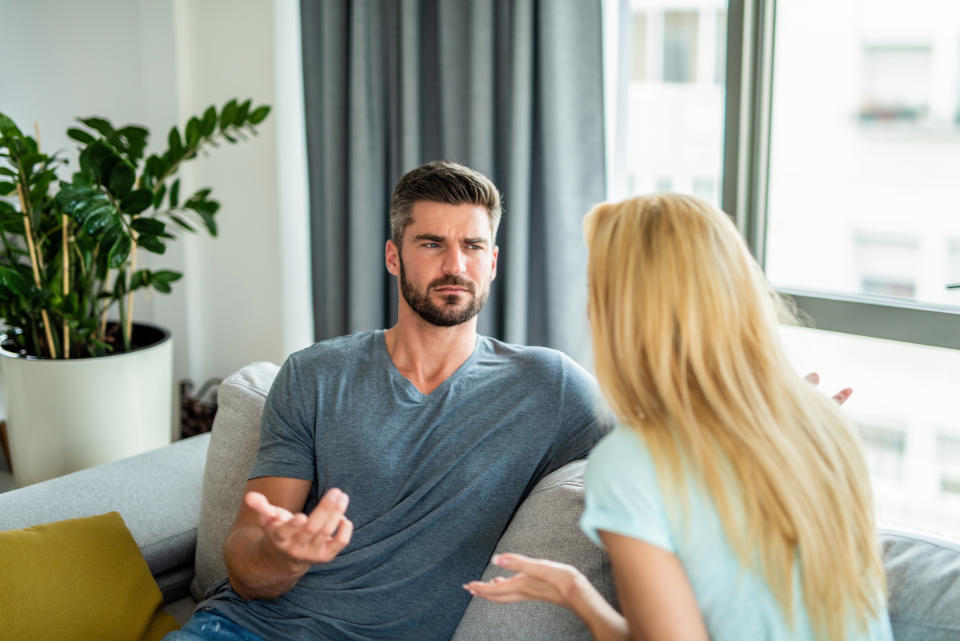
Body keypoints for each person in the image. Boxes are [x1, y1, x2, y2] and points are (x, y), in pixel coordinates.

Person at [164, 161, 610, 641]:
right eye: (432, 244)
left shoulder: (550, 387)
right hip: (246, 629)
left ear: (494, 261)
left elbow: (657, 458)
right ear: (394, 256)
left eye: (473, 246)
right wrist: (283, 555)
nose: (455, 266)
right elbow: (247, 571)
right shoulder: (314, 375)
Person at [465, 194, 893, 641]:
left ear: (628, 314)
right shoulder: (826, 425)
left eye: (597, 291)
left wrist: (583, 602)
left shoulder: (633, 462)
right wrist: (577, 592)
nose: (590, 310)